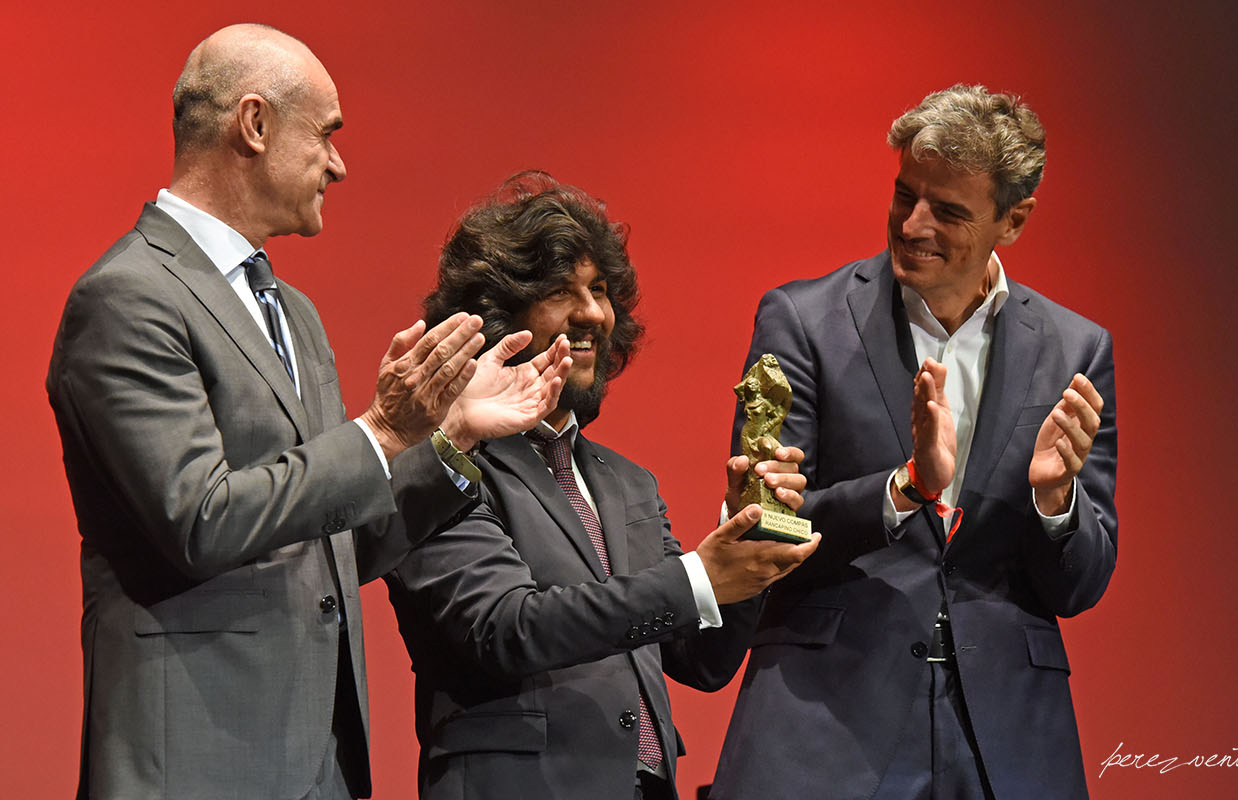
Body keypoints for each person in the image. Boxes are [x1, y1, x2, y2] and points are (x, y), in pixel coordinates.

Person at [46, 25, 568, 800]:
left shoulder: (295, 312)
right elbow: (201, 520)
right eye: (326, 134)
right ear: (253, 126)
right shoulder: (129, 297)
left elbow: (334, 548)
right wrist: (384, 432)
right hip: (194, 759)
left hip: (317, 763)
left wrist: (451, 441)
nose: (339, 162)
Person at [710, 85, 1118, 800]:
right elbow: (764, 526)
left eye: (949, 211)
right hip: (826, 718)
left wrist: (1057, 501)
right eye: (906, 196)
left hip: (1007, 738)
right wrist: (903, 491)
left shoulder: (1075, 351)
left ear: (1013, 220)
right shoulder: (802, 322)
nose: (913, 224)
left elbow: (1079, 584)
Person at [384, 171, 821, 800]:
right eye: (562, 291)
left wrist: (745, 547)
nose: (593, 312)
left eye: (600, 289)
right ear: (498, 313)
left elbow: (702, 662)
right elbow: (506, 628)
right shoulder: (444, 464)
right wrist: (699, 574)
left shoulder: (629, 483)